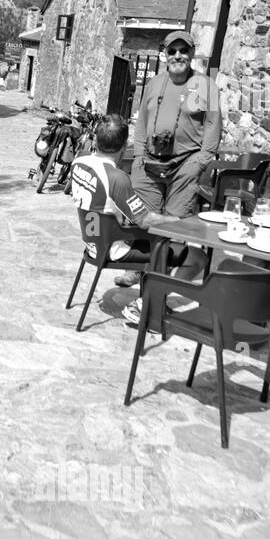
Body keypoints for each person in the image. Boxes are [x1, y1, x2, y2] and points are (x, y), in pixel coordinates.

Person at [68, 114, 205, 327]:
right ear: (124, 146)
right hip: (112, 247)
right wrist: (178, 221)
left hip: (92, 241)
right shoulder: (117, 178)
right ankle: (147, 304)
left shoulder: (79, 162)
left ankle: (149, 296)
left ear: (96, 140)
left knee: (152, 238)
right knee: (192, 255)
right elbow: (145, 221)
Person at [131, 31, 221, 219]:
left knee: (175, 225)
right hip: (148, 164)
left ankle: (170, 250)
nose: (177, 56)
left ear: (192, 52)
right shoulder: (154, 83)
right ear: (165, 54)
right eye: (172, 51)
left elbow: (213, 125)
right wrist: (138, 155)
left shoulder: (207, 85)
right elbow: (142, 122)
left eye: (183, 50)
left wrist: (200, 162)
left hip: (184, 167)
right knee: (145, 222)